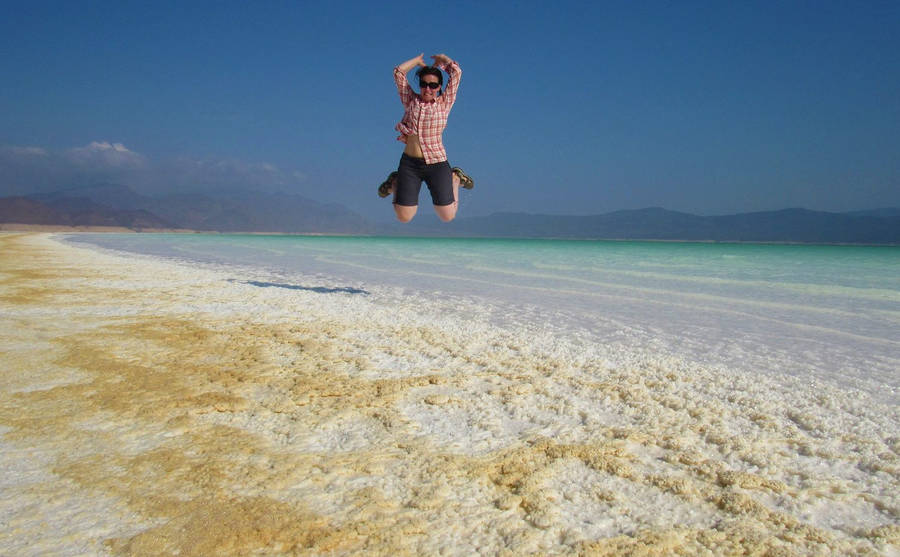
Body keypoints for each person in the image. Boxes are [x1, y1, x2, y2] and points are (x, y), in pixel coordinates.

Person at [377, 53, 473, 223]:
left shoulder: (444, 103)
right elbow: (398, 73)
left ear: (439, 87)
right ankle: (395, 182)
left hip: (437, 163)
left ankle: (455, 178)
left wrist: (443, 59)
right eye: (424, 84)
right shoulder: (411, 100)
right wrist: (416, 62)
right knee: (404, 217)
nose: (428, 89)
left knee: (447, 216)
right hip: (410, 164)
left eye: (433, 85)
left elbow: (457, 73)